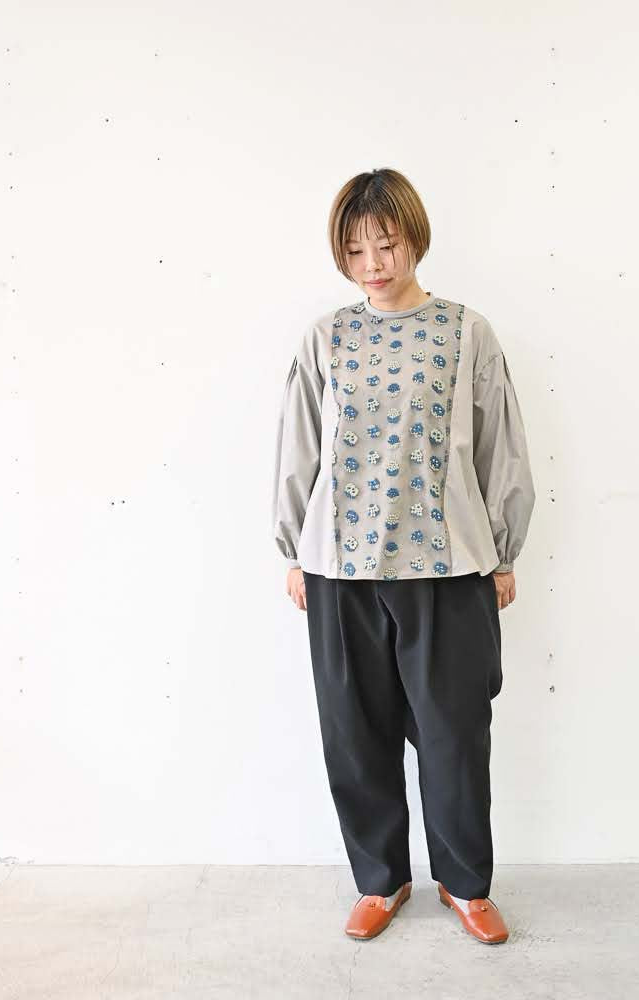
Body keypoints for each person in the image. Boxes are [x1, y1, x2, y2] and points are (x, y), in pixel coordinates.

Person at [271, 167, 536, 944]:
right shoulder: (326, 336)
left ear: (413, 238)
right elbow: (298, 446)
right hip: (339, 567)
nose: (372, 265)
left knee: (454, 735)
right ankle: (379, 880)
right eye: (354, 251)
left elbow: (500, 446)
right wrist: (295, 549)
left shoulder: (465, 331)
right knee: (354, 733)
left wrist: (502, 552)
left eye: (384, 245)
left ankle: (466, 884)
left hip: (448, 567)